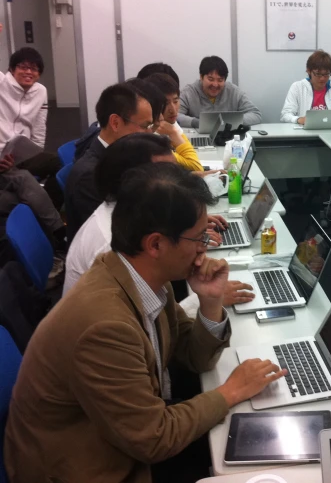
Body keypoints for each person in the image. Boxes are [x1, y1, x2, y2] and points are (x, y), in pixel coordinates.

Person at [4, 162, 286, 483]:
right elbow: (154, 439)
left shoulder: (142, 274)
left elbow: (194, 357)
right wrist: (230, 391)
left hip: (126, 431)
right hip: (83, 466)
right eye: (198, 238)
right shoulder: (104, 326)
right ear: (155, 244)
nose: (204, 248)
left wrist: (210, 301)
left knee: (253, 442)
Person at [63, 133, 254, 306]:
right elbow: (152, 328)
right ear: (133, 180)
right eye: (167, 173)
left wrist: (189, 223)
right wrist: (205, 301)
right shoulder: (112, 246)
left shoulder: (125, 212)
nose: (177, 181)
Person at [65, 81, 155, 241]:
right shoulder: (90, 175)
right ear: (115, 123)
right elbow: (116, 234)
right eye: (145, 126)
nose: (150, 134)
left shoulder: (122, 157)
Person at [0, 47, 63, 208]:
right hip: (1, 157)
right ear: (12, 69)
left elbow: (39, 127)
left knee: (60, 164)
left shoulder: (40, 91)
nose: (28, 72)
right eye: (23, 67)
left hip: (22, 154)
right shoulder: (1, 84)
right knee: (23, 181)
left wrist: (35, 152)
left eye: (34, 69)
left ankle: (49, 206)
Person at [178, 55, 262, 129]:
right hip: (197, 140)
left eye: (220, 80)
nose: (215, 84)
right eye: (210, 79)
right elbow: (176, 116)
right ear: (201, 77)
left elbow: (255, 114)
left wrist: (231, 121)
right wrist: (197, 123)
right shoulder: (189, 92)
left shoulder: (233, 91)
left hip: (228, 140)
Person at [145, 72, 204, 171]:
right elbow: (196, 166)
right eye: (166, 103)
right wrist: (173, 133)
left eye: (176, 101)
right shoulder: (151, 133)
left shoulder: (169, 122)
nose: (173, 109)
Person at [280, 50, 331, 124]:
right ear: (308, 71)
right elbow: (285, 115)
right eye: (318, 74)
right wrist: (299, 119)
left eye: (326, 74)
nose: (322, 78)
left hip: (330, 130)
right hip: (304, 132)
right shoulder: (297, 87)